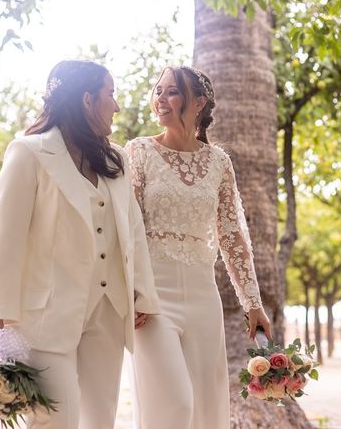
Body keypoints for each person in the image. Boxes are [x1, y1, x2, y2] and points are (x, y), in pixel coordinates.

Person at [0, 60, 160, 429]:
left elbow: (133, 230)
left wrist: (143, 293)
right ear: (88, 100)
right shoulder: (28, 153)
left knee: (100, 419)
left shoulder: (116, 159)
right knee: (55, 420)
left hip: (108, 311)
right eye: (111, 95)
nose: (117, 106)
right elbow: (4, 239)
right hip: (45, 314)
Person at [126, 65, 272, 429]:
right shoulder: (139, 151)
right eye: (158, 89)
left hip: (203, 296)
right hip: (152, 297)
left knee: (206, 407)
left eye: (171, 91)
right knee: (173, 404)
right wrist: (130, 289)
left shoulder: (219, 162)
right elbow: (127, 227)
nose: (160, 98)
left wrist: (252, 303)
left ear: (199, 102)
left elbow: (231, 234)